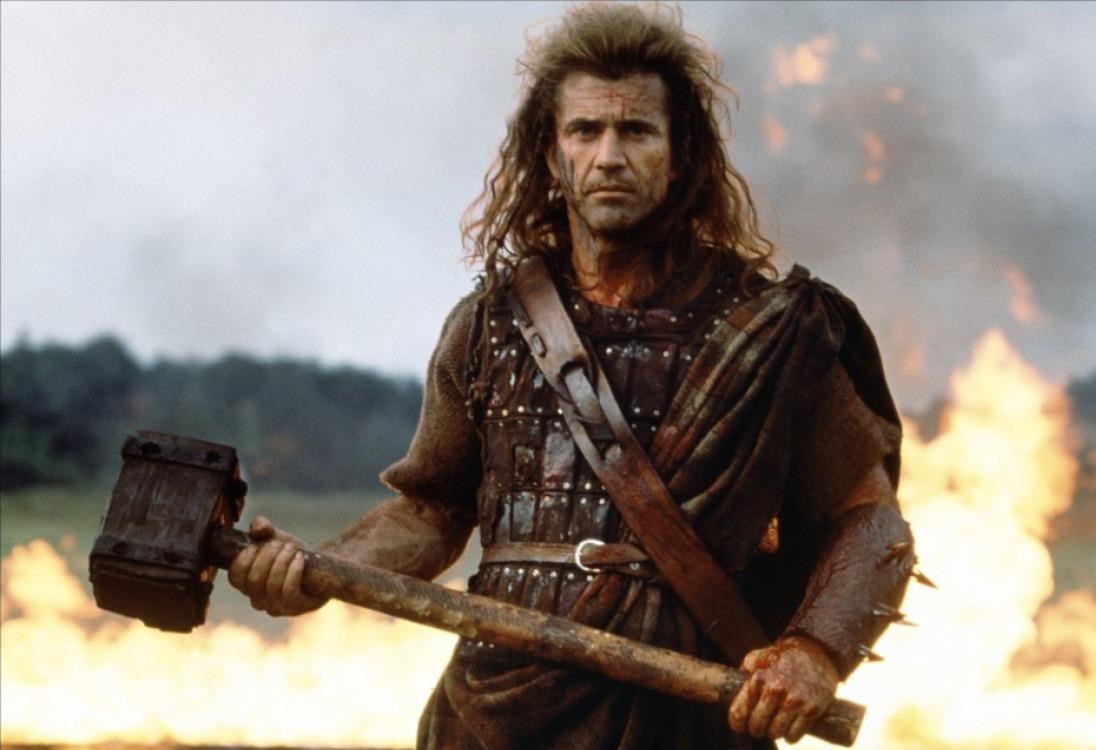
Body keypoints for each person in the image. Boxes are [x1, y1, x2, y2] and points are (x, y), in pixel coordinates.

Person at [229, 4, 915, 748]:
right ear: (553, 155)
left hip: (681, 719)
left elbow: (869, 519)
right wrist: (314, 570)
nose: (608, 156)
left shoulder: (772, 334)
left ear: (680, 154)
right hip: (491, 713)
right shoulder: (490, 323)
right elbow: (430, 512)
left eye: (636, 131)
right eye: (585, 131)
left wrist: (813, 654)